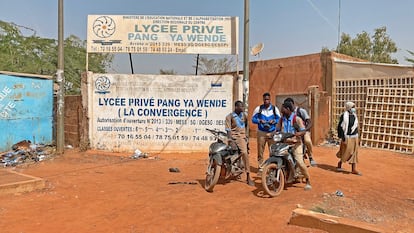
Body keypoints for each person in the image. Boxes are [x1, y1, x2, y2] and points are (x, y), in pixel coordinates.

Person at [276, 101, 312, 190]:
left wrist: (300, 133)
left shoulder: (297, 119)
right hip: (285, 143)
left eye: (283, 108)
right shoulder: (281, 119)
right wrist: (272, 134)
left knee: (299, 161)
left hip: (296, 144)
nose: (281, 110)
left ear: (288, 109)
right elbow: (277, 129)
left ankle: (308, 180)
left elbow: (304, 130)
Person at [225, 100, 255, 186]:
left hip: (241, 138)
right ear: (236, 107)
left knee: (244, 153)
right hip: (233, 137)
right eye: (240, 106)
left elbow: (246, 126)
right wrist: (230, 140)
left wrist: (246, 137)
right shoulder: (229, 117)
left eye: (242, 106)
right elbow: (228, 130)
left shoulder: (244, 116)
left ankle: (248, 176)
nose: (242, 108)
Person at [251, 93, 281, 172]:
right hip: (261, 132)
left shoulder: (275, 109)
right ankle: (261, 167)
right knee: (260, 151)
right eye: (265, 99)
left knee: (273, 151)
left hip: (272, 132)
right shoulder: (259, 109)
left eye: (267, 99)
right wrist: (259, 120)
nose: (266, 101)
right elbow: (253, 119)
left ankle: (271, 167)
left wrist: (274, 121)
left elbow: (279, 119)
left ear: (270, 99)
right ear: (263, 100)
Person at [284, 98, 317, 167]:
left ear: (293, 104)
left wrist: (304, 130)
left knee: (307, 141)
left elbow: (310, 122)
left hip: (303, 131)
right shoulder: (286, 114)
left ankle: (310, 157)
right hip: (292, 132)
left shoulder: (301, 111)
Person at [336, 101, 362, 176]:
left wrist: (358, 136)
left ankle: (353, 169)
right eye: (353, 107)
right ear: (349, 108)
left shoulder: (354, 115)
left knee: (354, 152)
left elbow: (356, 126)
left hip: (355, 136)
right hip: (347, 137)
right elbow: (340, 127)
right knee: (346, 152)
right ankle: (340, 163)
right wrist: (343, 138)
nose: (354, 108)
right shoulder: (344, 116)